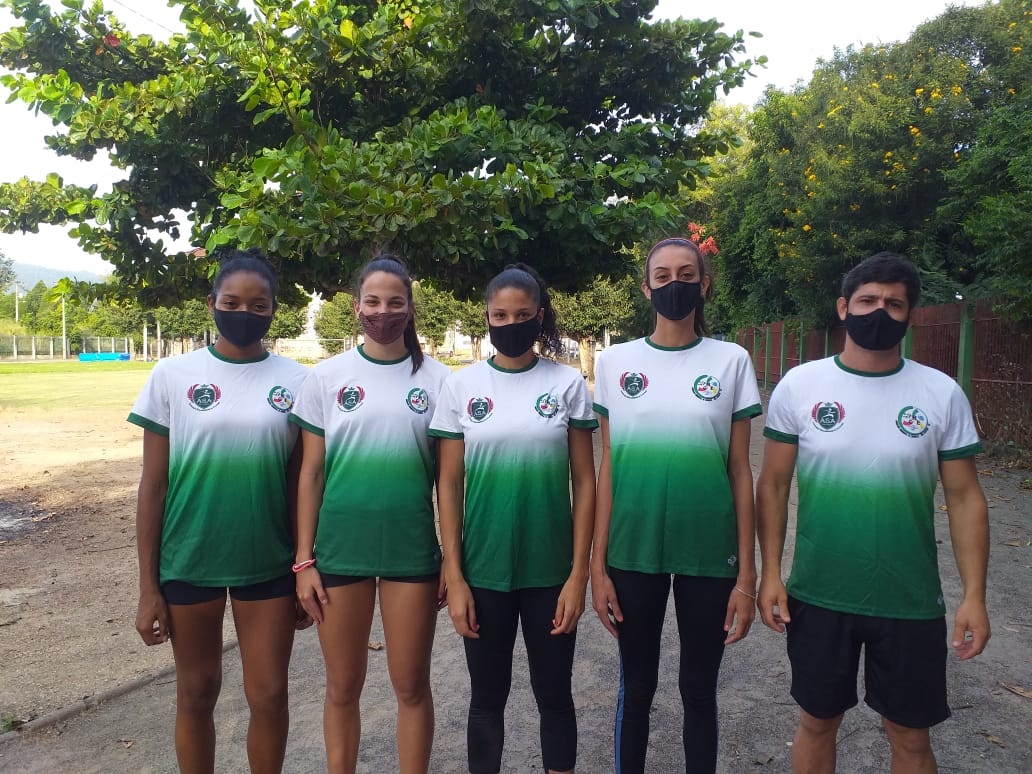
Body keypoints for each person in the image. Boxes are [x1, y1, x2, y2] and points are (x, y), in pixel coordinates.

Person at [756, 252, 991, 774]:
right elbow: (772, 484)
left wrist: (974, 596)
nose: (879, 312)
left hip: (909, 599)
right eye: (867, 301)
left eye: (893, 304)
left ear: (909, 315)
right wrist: (770, 574)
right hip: (819, 593)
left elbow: (965, 498)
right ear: (843, 308)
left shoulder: (940, 393)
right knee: (817, 721)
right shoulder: (801, 386)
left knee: (909, 736)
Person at [129, 248, 309, 774]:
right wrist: (148, 587)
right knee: (197, 691)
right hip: (190, 557)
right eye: (232, 303)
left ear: (274, 309)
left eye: (258, 305)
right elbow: (154, 484)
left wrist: (304, 565)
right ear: (212, 304)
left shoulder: (299, 381)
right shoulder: (173, 374)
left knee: (269, 695)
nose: (244, 313)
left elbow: (302, 481)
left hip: (268, 561)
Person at [590, 237, 761, 774]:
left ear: (704, 285)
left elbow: (740, 470)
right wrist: (597, 565)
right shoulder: (615, 362)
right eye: (662, 276)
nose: (674, 285)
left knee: (699, 691)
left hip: (708, 552)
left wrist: (747, 576)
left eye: (686, 275)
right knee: (637, 687)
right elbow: (609, 466)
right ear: (646, 288)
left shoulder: (731, 361)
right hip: (632, 550)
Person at [430, 264, 597, 774]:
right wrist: (455, 573)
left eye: (522, 315)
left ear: (539, 317)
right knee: (486, 699)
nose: (510, 323)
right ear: (487, 317)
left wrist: (579, 574)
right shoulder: (461, 386)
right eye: (500, 315)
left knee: (555, 696)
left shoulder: (567, 383)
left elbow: (585, 481)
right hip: (484, 572)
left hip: (551, 573)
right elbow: (449, 485)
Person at [291, 255, 451, 774]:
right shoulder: (326, 378)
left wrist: (452, 561)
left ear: (410, 308)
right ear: (357, 306)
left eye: (395, 302)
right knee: (342, 687)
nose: (384, 312)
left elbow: (451, 483)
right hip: (340, 553)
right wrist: (303, 560)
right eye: (373, 302)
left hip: (411, 552)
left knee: (411, 686)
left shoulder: (440, 381)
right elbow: (311, 473)